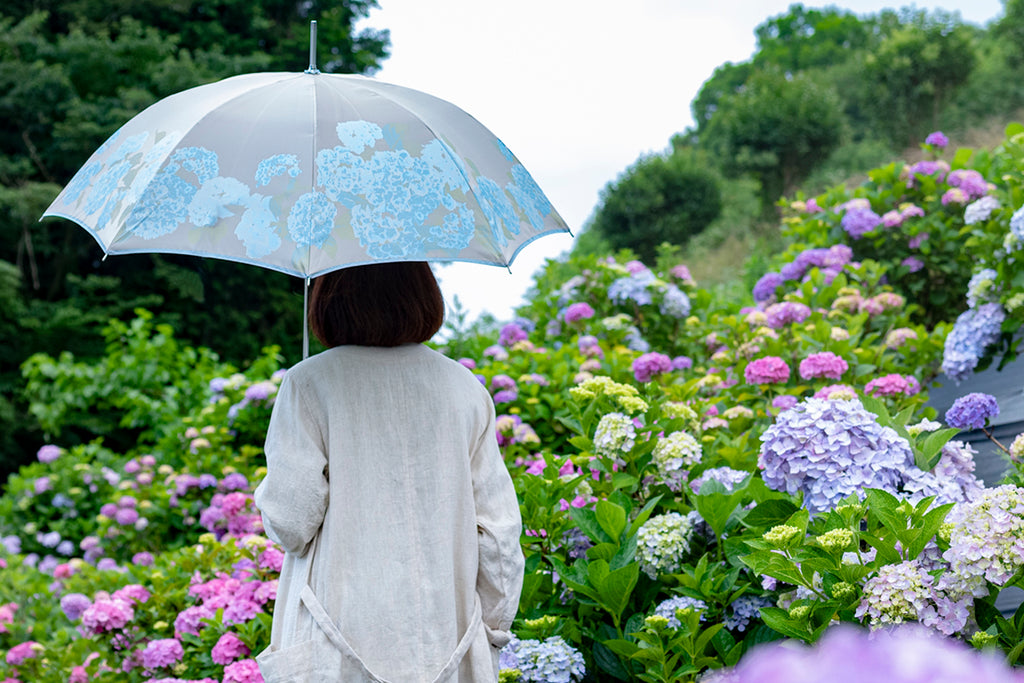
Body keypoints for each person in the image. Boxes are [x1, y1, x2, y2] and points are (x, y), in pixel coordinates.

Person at [253, 262, 524, 683]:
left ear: (330, 298)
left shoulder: (309, 384)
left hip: (333, 643)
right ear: (423, 294)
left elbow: (291, 522)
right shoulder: (464, 388)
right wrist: (491, 627)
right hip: (446, 640)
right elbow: (498, 535)